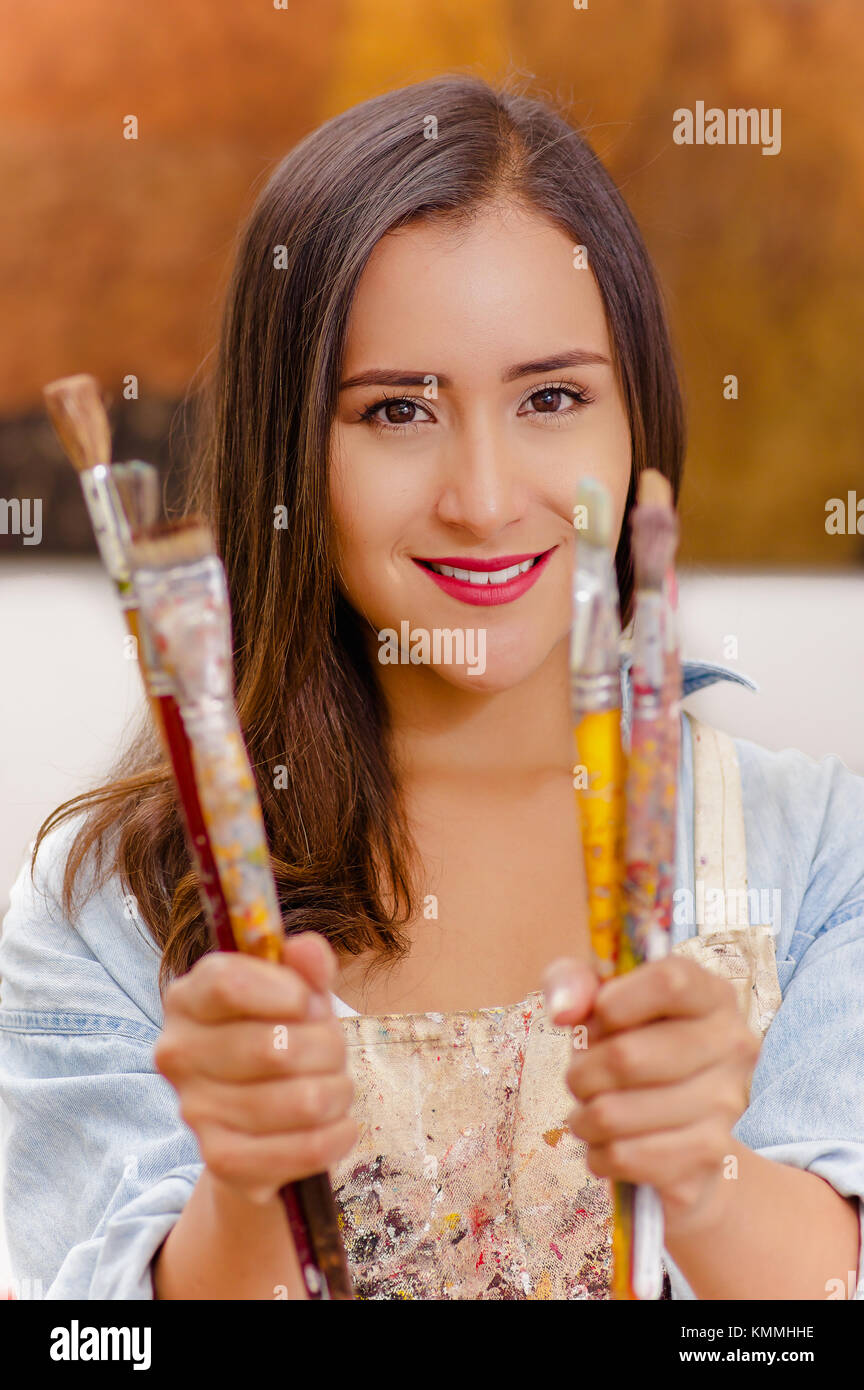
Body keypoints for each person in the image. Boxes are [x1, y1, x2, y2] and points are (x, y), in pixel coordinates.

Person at [1, 73, 862, 1302]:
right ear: (293, 446)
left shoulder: (826, 854)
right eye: (397, 409)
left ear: (640, 427)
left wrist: (701, 1174)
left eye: (551, 396)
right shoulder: (106, 914)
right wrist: (247, 1188)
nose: (482, 492)